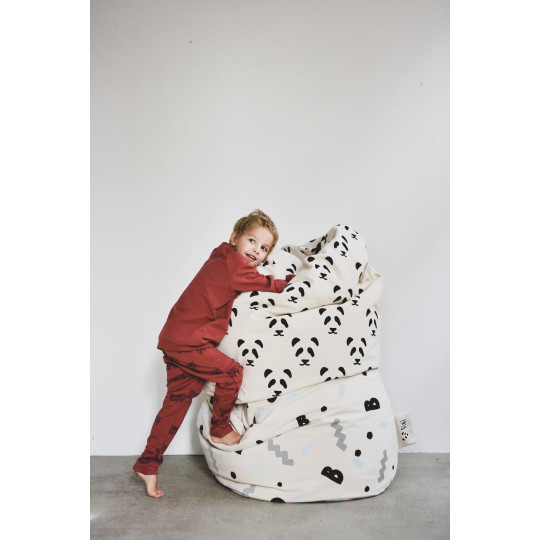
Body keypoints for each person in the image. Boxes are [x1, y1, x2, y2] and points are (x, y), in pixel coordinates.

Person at [133, 209, 295, 497]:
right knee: (231, 373)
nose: (256, 251)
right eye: (251, 241)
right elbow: (264, 284)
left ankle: (148, 463)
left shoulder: (221, 256)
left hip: (175, 338)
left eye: (263, 248)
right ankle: (220, 428)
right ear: (234, 238)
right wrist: (293, 282)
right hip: (189, 342)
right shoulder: (234, 263)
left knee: (176, 404)